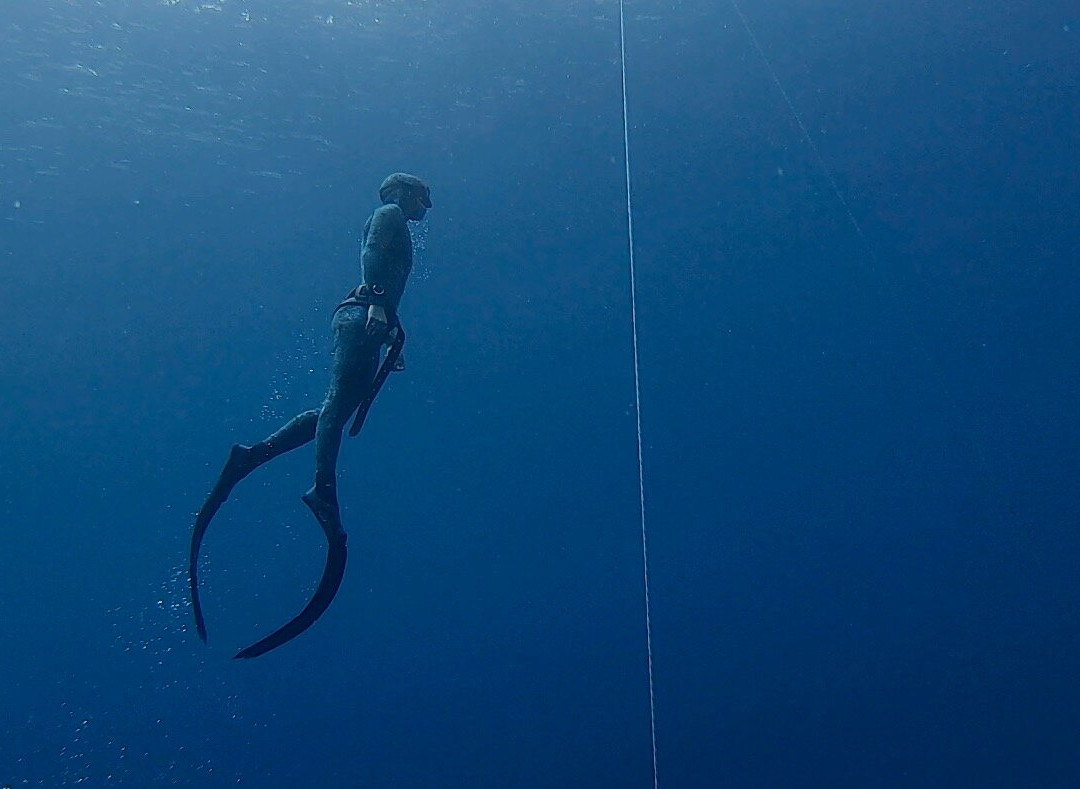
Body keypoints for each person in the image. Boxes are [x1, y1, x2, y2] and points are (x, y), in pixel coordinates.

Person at [189, 173, 432, 659]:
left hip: (370, 318)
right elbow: (373, 259)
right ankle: (322, 489)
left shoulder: (396, 224)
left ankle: (253, 457)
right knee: (337, 402)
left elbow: (382, 270)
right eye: (423, 195)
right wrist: (379, 309)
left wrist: (389, 328)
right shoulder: (389, 216)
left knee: (333, 411)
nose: (428, 204)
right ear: (403, 191)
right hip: (362, 314)